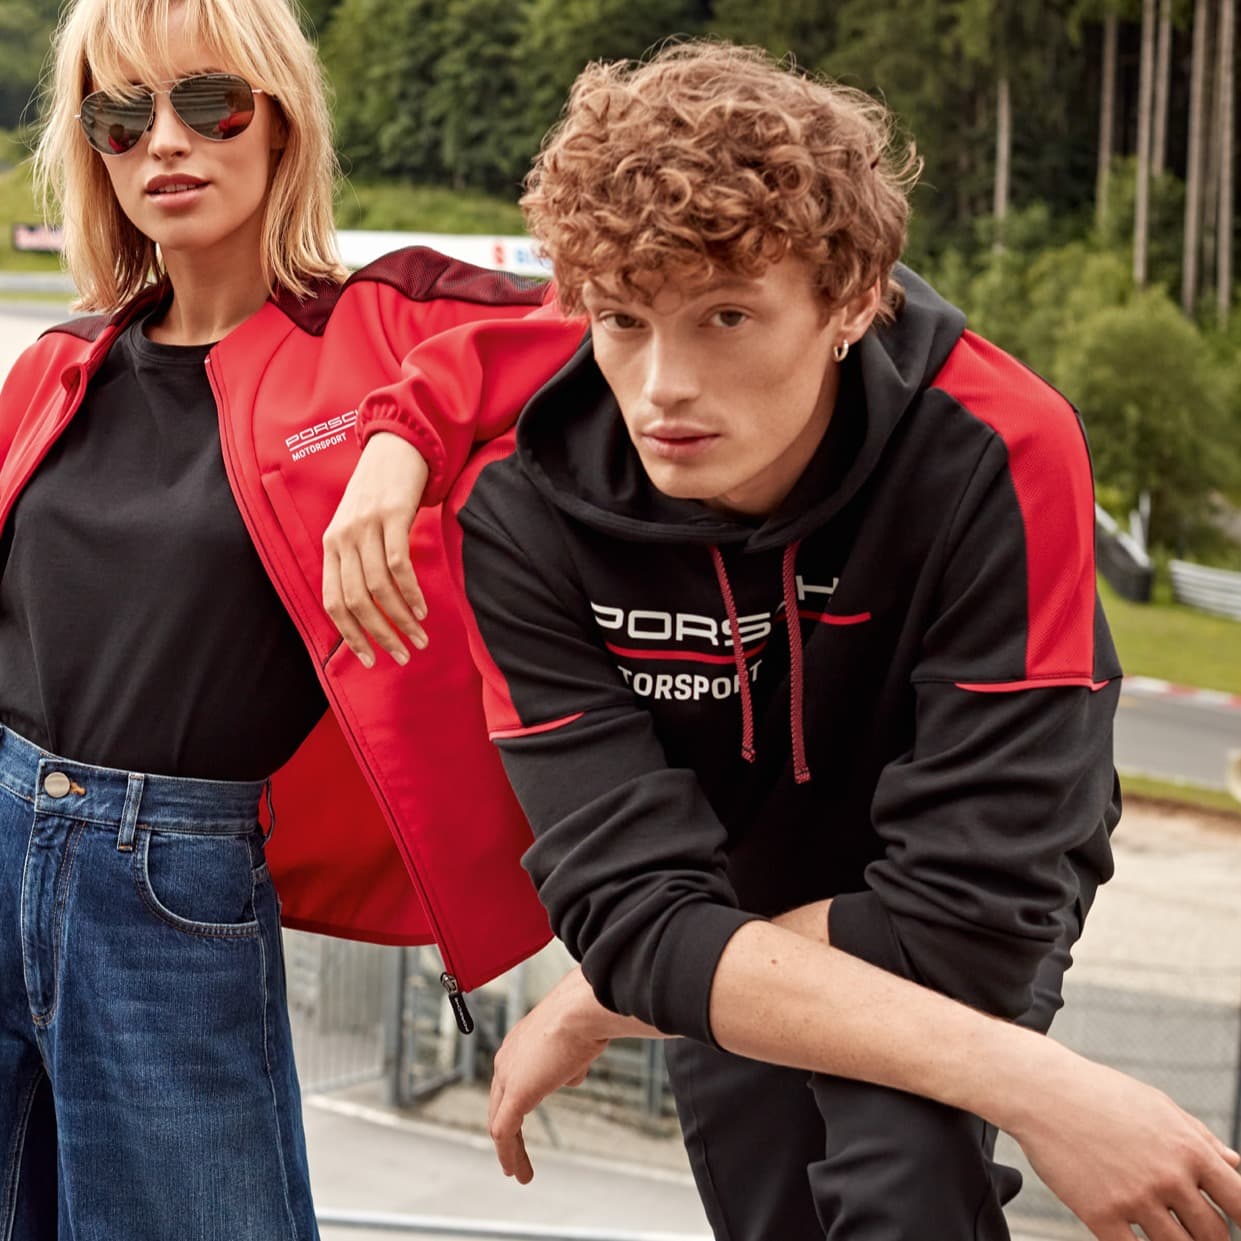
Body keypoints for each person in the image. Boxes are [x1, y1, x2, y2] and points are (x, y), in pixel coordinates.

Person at [323, 42, 1241, 1241]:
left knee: (898, 1185)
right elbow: (635, 914)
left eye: (728, 316)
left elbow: (967, 912)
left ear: (854, 297)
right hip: (726, 903)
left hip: (953, 887)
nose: (662, 390)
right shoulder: (519, 508)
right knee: (771, 1211)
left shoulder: (999, 445)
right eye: (623, 320)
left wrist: (644, 980)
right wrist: (1053, 1091)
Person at [0, 0, 557, 1234]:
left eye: (210, 102)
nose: (166, 142)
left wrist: (402, 438)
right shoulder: (57, 368)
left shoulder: (382, 334)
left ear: (279, 117)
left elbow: (608, 342)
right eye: (120, 114)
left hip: (173, 880)